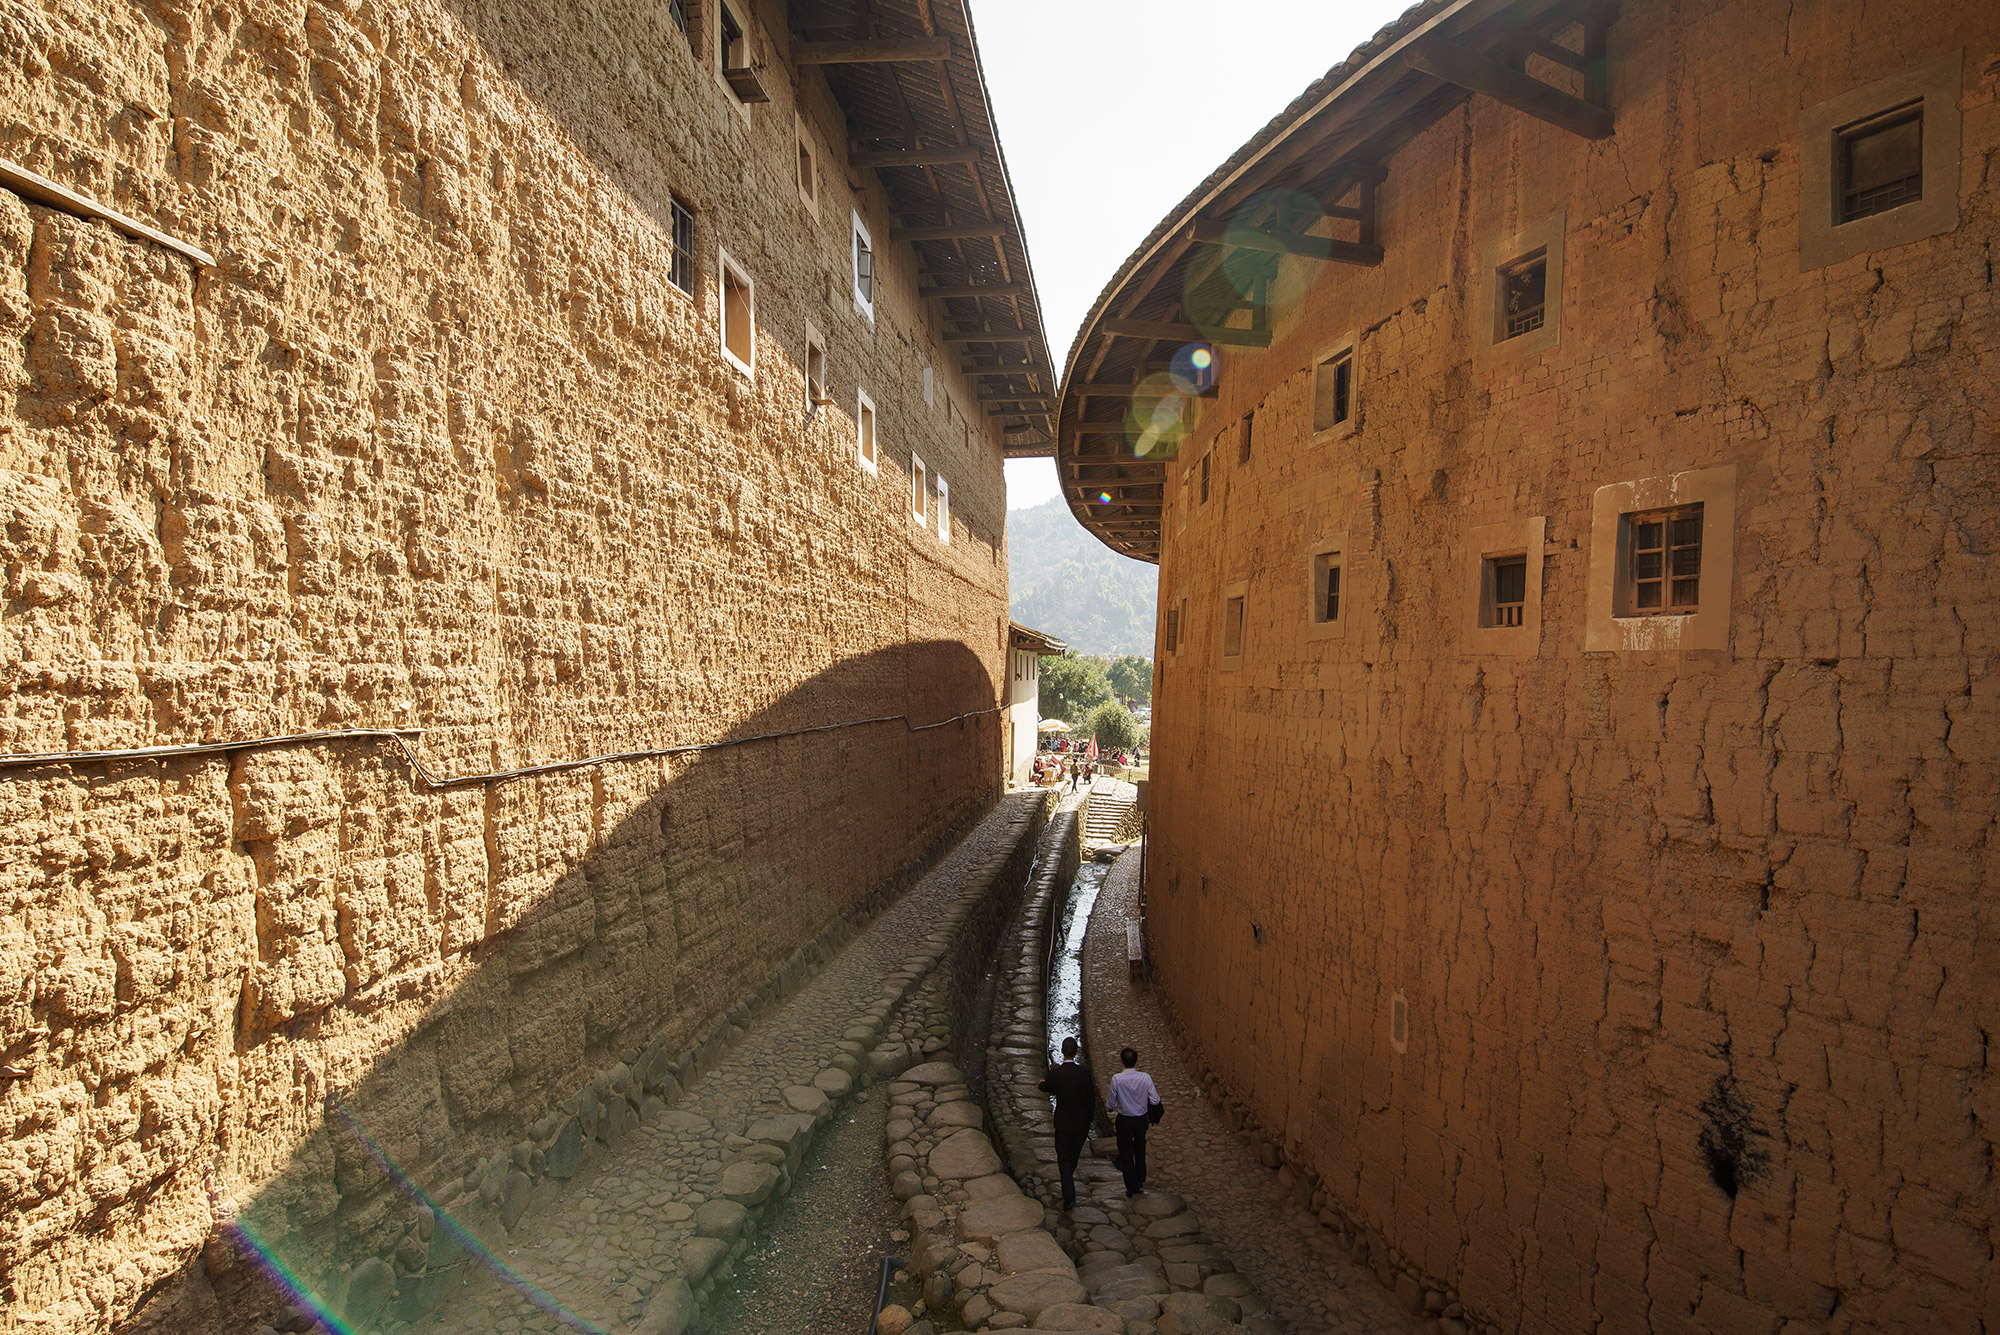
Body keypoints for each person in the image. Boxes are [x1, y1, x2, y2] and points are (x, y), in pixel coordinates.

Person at [1037, 1036, 1094, 1210]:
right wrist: (1089, 1120)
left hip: (1063, 1123)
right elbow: (1090, 1100)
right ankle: (1067, 1182)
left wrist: (1041, 1084)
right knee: (1073, 1156)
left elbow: (1047, 1087)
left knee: (1063, 1157)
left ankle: (1069, 1197)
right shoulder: (1084, 1074)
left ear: (1062, 1051)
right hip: (1081, 1124)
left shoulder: (1056, 1074)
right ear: (1075, 1052)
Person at [1107, 1047, 1162, 1196]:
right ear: (1136, 1061)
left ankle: (1131, 1187)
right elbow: (1155, 1100)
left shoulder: (1116, 1079)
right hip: (1140, 1121)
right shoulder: (1145, 1078)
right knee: (1140, 1149)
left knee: (1125, 1153)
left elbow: (1110, 1105)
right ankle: (1139, 1179)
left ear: (1121, 1061)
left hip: (1124, 1121)